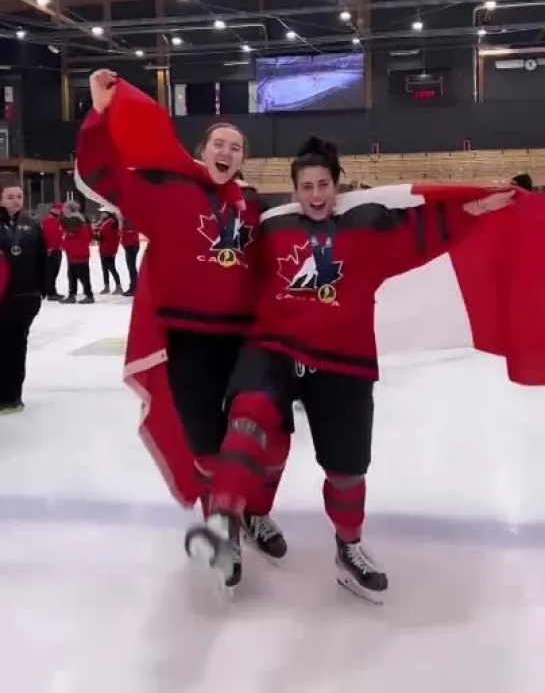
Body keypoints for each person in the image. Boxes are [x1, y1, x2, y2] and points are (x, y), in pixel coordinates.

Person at [184, 138, 519, 600]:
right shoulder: (273, 231)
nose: (316, 193)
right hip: (273, 348)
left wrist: (475, 208)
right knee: (251, 421)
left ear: (336, 187)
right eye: (307, 186)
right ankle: (228, 524)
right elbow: (219, 253)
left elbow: (421, 230)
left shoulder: (367, 229)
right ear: (295, 190)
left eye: (323, 184)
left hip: (343, 360)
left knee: (347, 469)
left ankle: (348, 549)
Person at [75, 71, 289, 587]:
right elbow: (103, 174)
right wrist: (101, 113)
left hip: (246, 343)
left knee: (265, 433)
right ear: (202, 150)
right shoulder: (167, 192)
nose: (227, 150)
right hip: (189, 342)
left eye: (236, 147)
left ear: (242, 159)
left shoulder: (256, 209)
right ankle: (224, 527)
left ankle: (254, 511)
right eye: (219, 142)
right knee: (206, 442)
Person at [0, 173, 47, 412]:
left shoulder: (33, 224)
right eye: (10, 197)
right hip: (1, 295)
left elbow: (42, 260)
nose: (16, 201)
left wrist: (41, 289)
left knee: (17, 347)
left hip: (24, 297)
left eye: (19, 196)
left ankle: (12, 395)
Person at [60, 201, 94, 304]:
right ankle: (72, 294)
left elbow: (73, 234)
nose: (63, 210)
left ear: (70, 209)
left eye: (65, 208)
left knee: (82, 275)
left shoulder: (75, 220)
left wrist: (66, 244)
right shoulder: (80, 219)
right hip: (76, 252)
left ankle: (88, 295)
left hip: (77, 252)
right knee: (73, 274)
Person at [95, 207, 123, 294]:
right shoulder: (105, 222)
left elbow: (106, 236)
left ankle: (118, 286)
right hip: (104, 248)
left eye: (104, 212)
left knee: (111, 268)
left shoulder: (110, 222)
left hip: (108, 249)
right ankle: (106, 286)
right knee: (105, 268)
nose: (101, 214)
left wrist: (96, 235)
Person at [42, 203, 63, 300]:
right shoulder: (50, 220)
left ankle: (51, 291)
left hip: (56, 248)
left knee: (53, 271)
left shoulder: (53, 220)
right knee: (51, 271)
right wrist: (51, 248)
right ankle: (50, 293)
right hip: (53, 250)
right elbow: (51, 235)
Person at [121, 218, 140, 296]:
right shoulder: (125, 221)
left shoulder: (129, 221)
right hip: (129, 246)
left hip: (131, 246)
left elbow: (129, 234)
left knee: (132, 268)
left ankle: (134, 287)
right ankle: (133, 287)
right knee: (131, 268)